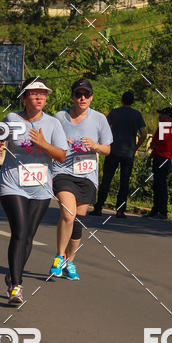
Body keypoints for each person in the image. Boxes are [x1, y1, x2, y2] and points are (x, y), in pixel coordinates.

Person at [0, 78, 68, 306]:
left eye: (43, 94)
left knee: (28, 236)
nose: (39, 97)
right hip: (12, 184)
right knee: (20, 231)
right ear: (24, 97)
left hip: (41, 188)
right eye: (34, 93)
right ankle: (16, 286)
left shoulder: (53, 124)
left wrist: (44, 144)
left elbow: (61, 155)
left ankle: (13, 274)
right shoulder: (12, 119)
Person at [49, 78, 113, 280]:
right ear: (72, 96)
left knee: (78, 222)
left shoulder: (100, 119)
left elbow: (108, 149)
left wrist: (94, 145)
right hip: (63, 172)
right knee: (68, 213)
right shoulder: (60, 117)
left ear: (92, 97)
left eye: (86, 94)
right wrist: (61, 143)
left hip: (87, 175)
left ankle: (70, 261)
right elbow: (48, 143)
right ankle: (59, 256)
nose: (82, 98)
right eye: (78, 94)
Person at [91, 90, 146, 218]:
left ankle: (98, 207)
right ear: (132, 101)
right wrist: (136, 147)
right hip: (128, 152)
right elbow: (143, 133)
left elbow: (103, 128)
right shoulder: (137, 114)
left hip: (113, 150)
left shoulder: (115, 112)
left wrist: (103, 144)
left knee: (106, 179)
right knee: (124, 182)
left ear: (122, 100)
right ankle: (120, 210)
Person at [148, 106, 172, 220]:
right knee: (159, 185)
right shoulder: (171, 128)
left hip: (161, 158)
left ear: (167, 116)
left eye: (161, 114)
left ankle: (161, 211)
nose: (159, 116)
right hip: (165, 158)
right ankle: (157, 210)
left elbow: (154, 143)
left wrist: (151, 152)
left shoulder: (163, 127)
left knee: (160, 186)